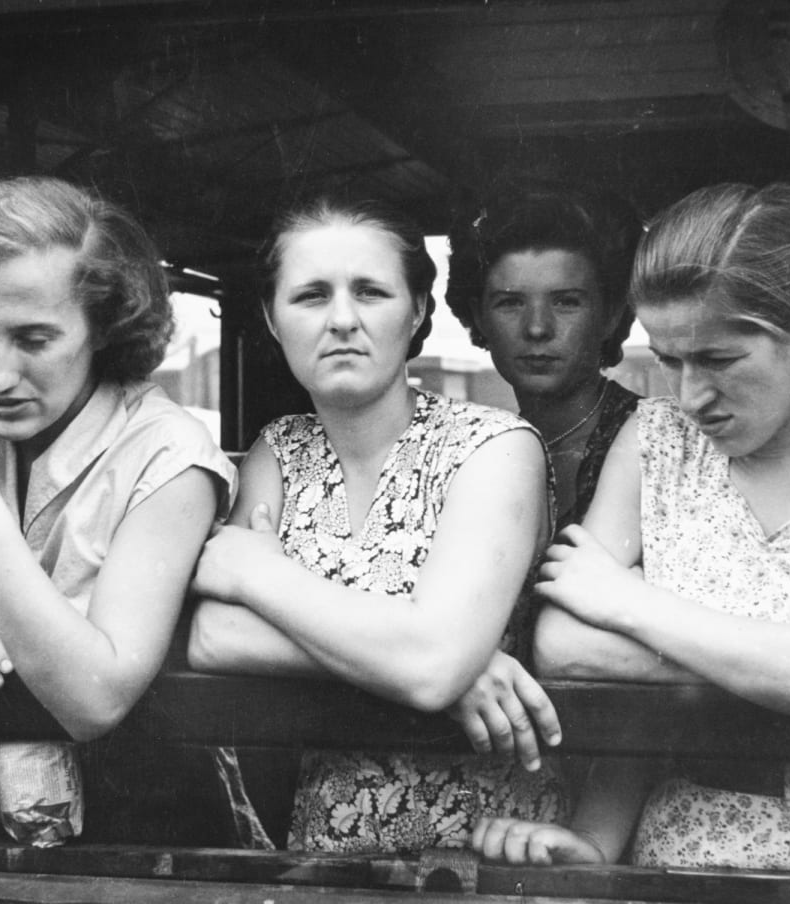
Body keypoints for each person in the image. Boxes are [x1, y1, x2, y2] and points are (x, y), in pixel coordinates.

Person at [472, 182, 790, 872]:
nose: (690, 396)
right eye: (669, 360)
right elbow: (565, 645)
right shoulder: (654, 439)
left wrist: (632, 605)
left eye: (719, 359)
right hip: (668, 852)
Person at [187, 195, 568, 853]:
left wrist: (255, 570)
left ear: (417, 310)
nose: (342, 320)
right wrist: (416, 655)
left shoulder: (494, 447)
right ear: (272, 321)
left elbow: (433, 665)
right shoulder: (279, 451)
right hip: (321, 850)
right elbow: (213, 638)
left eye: (370, 292)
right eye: (309, 296)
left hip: (488, 848)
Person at [0, 175, 234, 841]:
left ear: (105, 325)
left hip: (155, 832)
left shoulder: (170, 455)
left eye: (34, 338)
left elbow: (97, 697)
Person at [442, 184, 642, 770]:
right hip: (499, 761)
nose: (536, 328)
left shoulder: (654, 443)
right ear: (477, 317)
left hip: (623, 768)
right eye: (508, 302)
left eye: (567, 301)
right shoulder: (473, 452)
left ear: (610, 315)